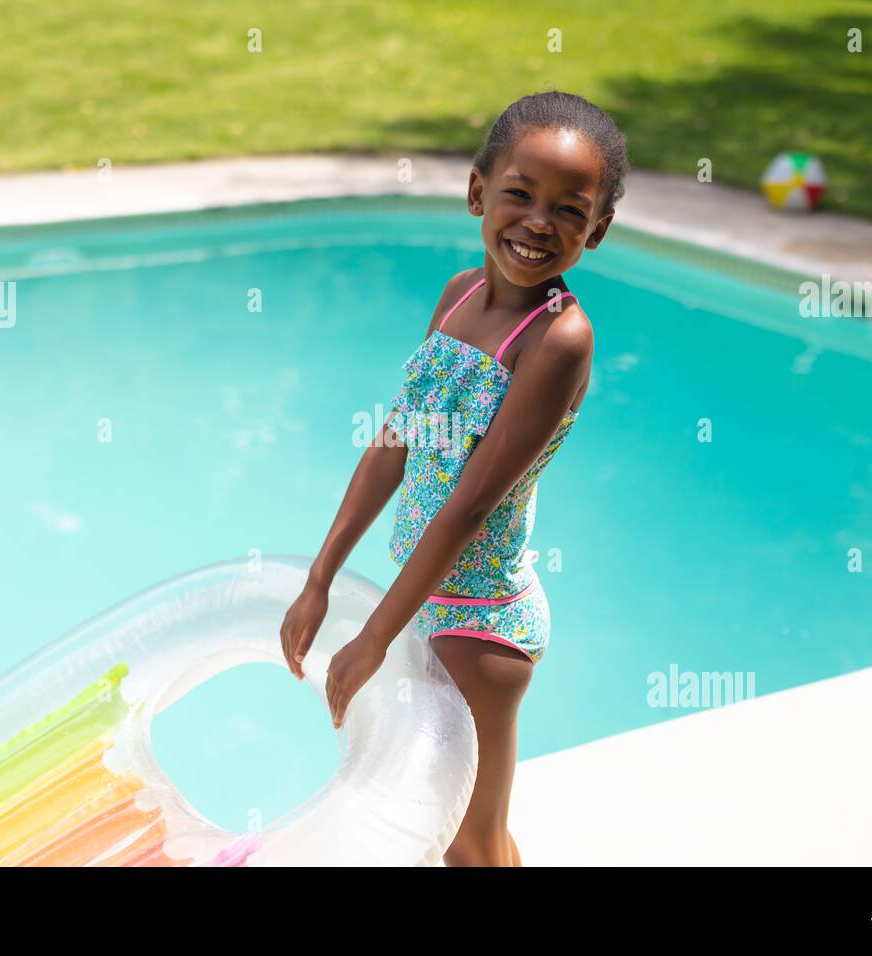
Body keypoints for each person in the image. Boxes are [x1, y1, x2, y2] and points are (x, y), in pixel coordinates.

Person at [280, 90, 628, 866]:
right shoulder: (459, 295)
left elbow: (470, 505)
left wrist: (376, 636)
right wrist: (320, 578)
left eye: (570, 211)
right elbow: (393, 445)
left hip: (482, 625)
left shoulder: (559, 339)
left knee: (466, 847)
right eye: (519, 194)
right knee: (471, 839)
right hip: (429, 602)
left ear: (596, 231)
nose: (539, 222)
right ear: (478, 192)